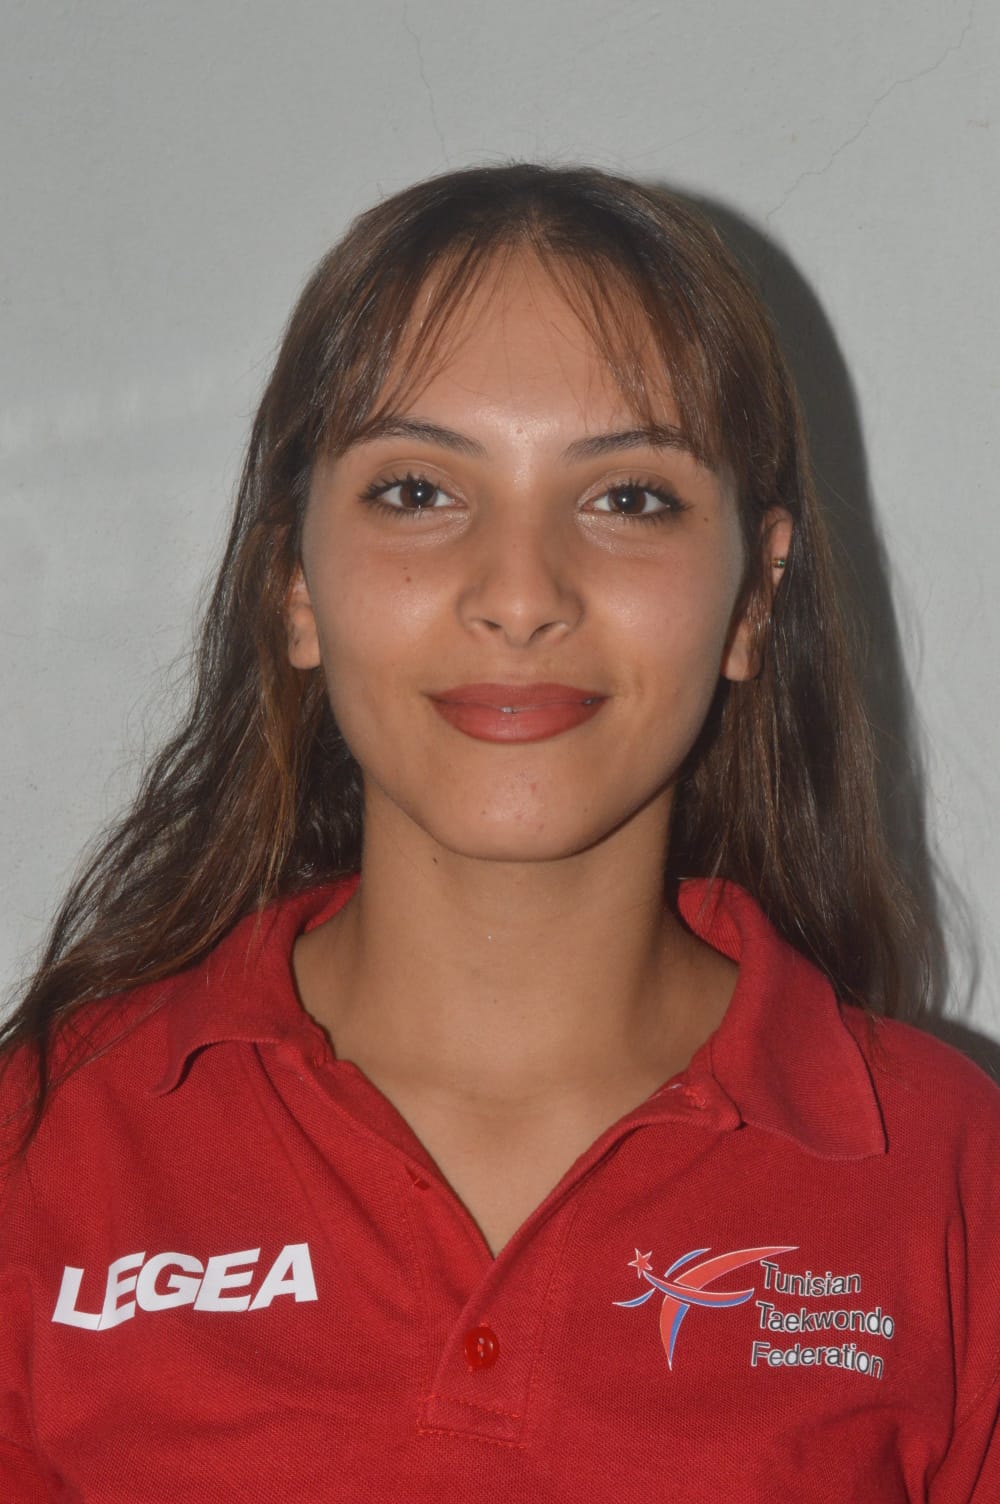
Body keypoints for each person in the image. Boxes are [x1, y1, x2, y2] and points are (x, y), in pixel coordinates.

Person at [1, 164, 996, 1502]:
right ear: (293, 584)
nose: (521, 596)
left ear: (755, 600)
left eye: (628, 497)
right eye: (419, 490)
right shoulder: (46, 1151)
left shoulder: (954, 1175)